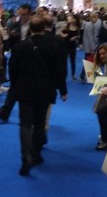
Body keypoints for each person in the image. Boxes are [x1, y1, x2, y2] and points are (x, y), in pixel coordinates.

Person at [9, 17, 68, 176]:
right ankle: (36, 154)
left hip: (25, 90)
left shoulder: (20, 46)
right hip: (45, 90)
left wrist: (15, 87)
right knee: (40, 123)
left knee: (25, 125)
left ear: (30, 29)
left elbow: (12, 69)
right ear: (44, 28)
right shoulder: (53, 46)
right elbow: (59, 70)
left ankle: (25, 156)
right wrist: (63, 89)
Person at [0, 4, 32, 121]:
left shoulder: (34, 26)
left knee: (22, 87)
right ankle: (6, 112)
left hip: (29, 60)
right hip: (15, 58)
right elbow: (10, 41)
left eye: (24, 14)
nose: (22, 16)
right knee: (14, 85)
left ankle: (10, 112)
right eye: (20, 14)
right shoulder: (15, 24)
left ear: (29, 14)